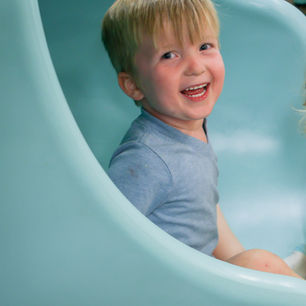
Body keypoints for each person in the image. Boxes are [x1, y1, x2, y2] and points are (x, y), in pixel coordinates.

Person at [102, 0, 302, 279]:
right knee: (262, 263)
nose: (195, 66)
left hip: (197, 274)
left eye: (204, 47)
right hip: (168, 287)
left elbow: (203, 205)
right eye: (170, 55)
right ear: (133, 85)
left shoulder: (188, 129)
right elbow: (104, 237)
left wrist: (241, 268)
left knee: (259, 266)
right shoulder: (145, 158)